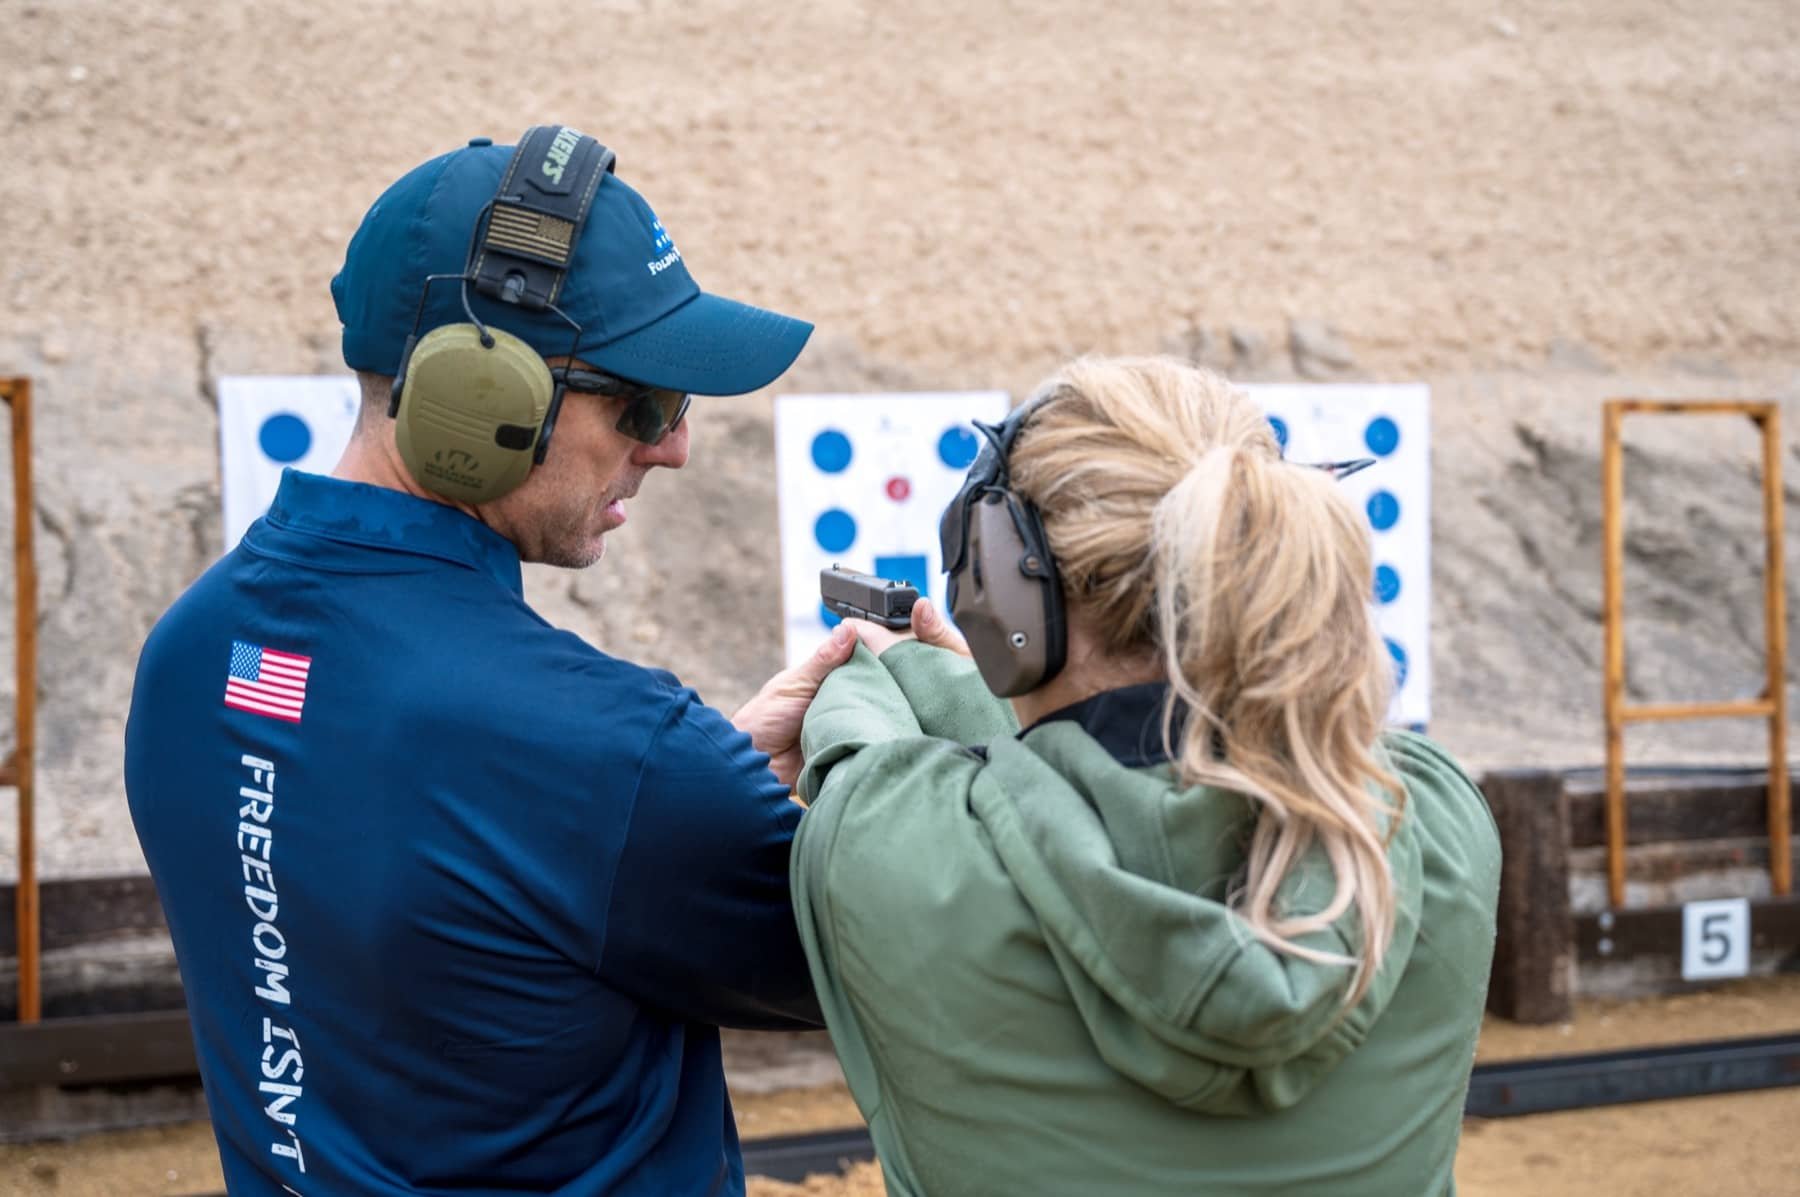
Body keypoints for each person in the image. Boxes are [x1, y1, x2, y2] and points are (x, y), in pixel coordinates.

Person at [124, 127, 856, 1196]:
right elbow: (909, 960)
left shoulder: (190, 649)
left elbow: (440, 868)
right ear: (485, 399)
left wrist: (695, 794)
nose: (673, 445)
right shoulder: (612, 759)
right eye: (642, 403)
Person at [793, 356, 1502, 1196]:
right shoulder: (1430, 816)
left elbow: (886, 773)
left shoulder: (880, 849)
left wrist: (898, 676)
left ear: (1000, 601)